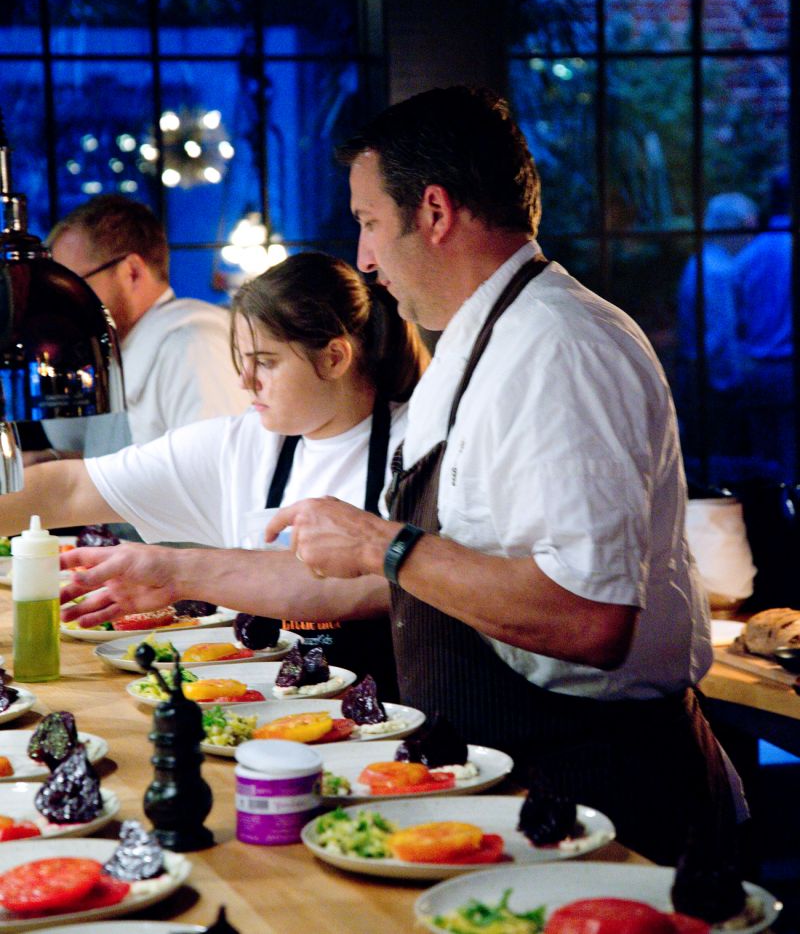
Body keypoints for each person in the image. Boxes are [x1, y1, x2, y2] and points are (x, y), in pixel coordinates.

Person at [55, 87, 740, 866]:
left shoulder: (559, 348)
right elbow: (387, 585)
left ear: (437, 212)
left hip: (604, 788)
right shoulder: (470, 349)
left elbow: (590, 620)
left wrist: (386, 544)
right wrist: (173, 570)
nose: (367, 256)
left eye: (371, 222)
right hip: (505, 771)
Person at [1, 252, 428, 696]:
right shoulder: (239, 445)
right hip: (263, 715)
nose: (246, 380)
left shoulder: (416, 442)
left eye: (265, 361)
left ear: (336, 357)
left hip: (391, 727)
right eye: (242, 359)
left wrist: (178, 571)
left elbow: (392, 583)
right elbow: (67, 489)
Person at [45, 195, 247, 449]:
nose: (64, 303)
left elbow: (217, 468)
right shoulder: (113, 353)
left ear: (131, 272)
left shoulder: (193, 343)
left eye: (74, 284)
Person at [676, 191, 758, 460]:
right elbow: (722, 336)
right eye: (749, 227)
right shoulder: (719, 272)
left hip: (702, 376)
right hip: (716, 383)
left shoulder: (700, 263)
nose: (752, 237)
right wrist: (734, 383)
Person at [735, 169, 794, 480]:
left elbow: (739, 316)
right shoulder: (785, 247)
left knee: (764, 462)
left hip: (755, 368)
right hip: (788, 366)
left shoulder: (750, 255)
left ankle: (767, 523)